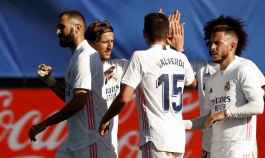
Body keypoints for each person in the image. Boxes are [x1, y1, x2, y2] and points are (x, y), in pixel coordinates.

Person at [99, 12, 195, 158]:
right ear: (167, 34)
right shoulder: (181, 57)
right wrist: (179, 50)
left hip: (156, 138)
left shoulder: (140, 57)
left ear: (145, 34)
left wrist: (106, 118)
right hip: (178, 140)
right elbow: (193, 82)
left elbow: (124, 98)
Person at [28, 10, 109, 158]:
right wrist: (49, 80)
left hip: (90, 141)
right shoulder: (77, 56)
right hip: (76, 140)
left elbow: (80, 101)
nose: (57, 31)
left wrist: (45, 123)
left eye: (62, 26)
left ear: (77, 28)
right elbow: (71, 97)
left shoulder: (84, 56)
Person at [184, 16, 265, 158]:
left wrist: (226, 113)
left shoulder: (244, 68)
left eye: (217, 43)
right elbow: (210, 118)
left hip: (240, 150)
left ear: (233, 45)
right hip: (216, 150)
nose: (212, 48)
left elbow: (258, 106)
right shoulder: (212, 79)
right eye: (210, 43)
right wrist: (182, 124)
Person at [84, 20, 129, 157]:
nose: (110, 46)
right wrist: (50, 81)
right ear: (91, 45)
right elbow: (70, 99)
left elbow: (150, 65)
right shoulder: (82, 70)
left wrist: (161, 35)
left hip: (111, 148)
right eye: (105, 42)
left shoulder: (120, 66)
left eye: (112, 41)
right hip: (90, 147)